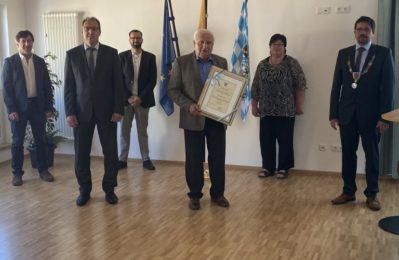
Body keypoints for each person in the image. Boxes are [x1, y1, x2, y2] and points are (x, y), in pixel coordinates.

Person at [329, 16, 394, 211]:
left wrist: (385, 117)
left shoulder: (383, 53)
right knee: (348, 154)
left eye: (366, 29)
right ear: (354, 32)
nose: (363, 32)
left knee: (372, 155)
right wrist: (333, 113)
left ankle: (372, 194)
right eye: (359, 29)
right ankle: (348, 191)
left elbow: (389, 88)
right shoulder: (344, 54)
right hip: (346, 113)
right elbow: (336, 86)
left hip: (372, 116)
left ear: (372, 32)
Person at [64, 17, 125, 206]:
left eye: (94, 29)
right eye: (87, 29)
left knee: (111, 153)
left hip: (108, 112)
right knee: (81, 154)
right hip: (81, 113)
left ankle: (110, 189)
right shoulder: (72, 55)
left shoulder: (111, 53)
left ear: (100, 31)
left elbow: (118, 85)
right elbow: (69, 87)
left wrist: (118, 109)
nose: (90, 32)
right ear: (82, 31)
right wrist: (70, 112)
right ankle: (84, 190)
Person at [168, 29, 230, 210]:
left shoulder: (221, 62)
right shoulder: (181, 62)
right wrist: (188, 105)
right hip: (192, 118)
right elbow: (173, 90)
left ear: (213, 45)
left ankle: (218, 194)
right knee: (195, 160)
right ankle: (195, 195)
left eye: (209, 42)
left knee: (217, 158)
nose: (205, 46)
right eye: (201, 42)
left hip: (216, 119)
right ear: (194, 43)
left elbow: (227, 89)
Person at [2, 30, 55, 186]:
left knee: (40, 139)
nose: (27, 44)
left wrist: (49, 106)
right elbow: (6, 89)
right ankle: (17, 173)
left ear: (33, 42)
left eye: (29, 41)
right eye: (23, 41)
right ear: (17, 43)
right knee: (17, 142)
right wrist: (11, 110)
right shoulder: (9, 62)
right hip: (18, 109)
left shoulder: (39, 62)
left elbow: (47, 86)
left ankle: (43, 170)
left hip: (38, 107)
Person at [251, 34, 306, 180]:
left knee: (285, 140)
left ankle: (283, 168)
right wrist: (254, 106)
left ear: (285, 47)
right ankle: (267, 167)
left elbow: (300, 85)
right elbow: (255, 86)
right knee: (266, 140)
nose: (277, 47)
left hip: (286, 110)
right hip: (266, 110)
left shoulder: (291, 63)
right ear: (269, 47)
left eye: (280, 44)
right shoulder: (262, 65)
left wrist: (299, 106)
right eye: (274, 44)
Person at [117, 29, 157, 171]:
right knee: (123, 131)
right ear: (129, 40)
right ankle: (122, 160)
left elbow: (152, 81)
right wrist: (128, 97)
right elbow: (118, 80)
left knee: (142, 131)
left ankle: (146, 159)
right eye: (133, 38)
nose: (135, 40)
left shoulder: (150, 57)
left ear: (142, 39)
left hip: (143, 101)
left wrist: (140, 97)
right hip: (125, 101)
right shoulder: (121, 57)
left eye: (138, 38)